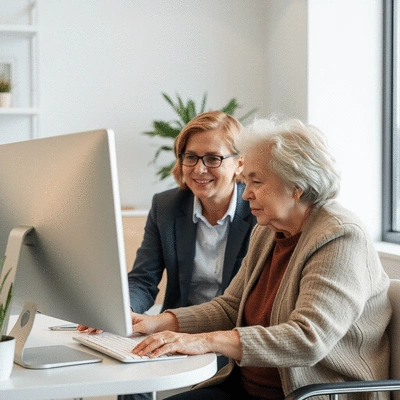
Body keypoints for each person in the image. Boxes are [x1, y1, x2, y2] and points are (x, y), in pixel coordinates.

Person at [127, 116, 392, 400]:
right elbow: (230, 308)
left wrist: (205, 341)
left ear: (296, 185)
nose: (246, 194)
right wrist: (155, 322)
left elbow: (307, 339)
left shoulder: (340, 237)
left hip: (310, 392)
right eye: (246, 180)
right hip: (245, 386)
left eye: (256, 181)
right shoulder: (268, 230)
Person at [118, 110, 257, 400]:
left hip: (229, 337)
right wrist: (125, 312)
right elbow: (143, 279)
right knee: (130, 373)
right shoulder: (166, 206)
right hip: (177, 325)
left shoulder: (258, 212)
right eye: (190, 157)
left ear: (239, 163)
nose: (199, 169)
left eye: (213, 158)